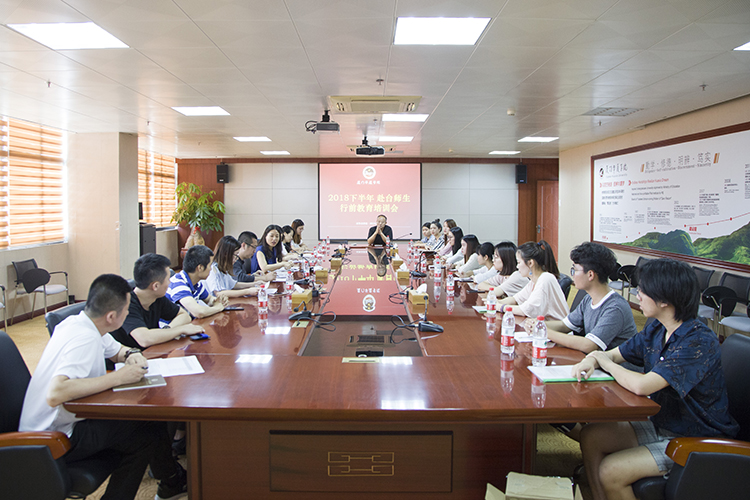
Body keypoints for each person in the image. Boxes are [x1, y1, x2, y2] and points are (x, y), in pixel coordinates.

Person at [572, 259, 739, 500]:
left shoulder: (698, 341)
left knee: (611, 471)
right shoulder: (657, 329)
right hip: (664, 421)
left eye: (643, 290)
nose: (637, 295)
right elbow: (615, 354)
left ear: (664, 300)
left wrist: (602, 360)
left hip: (696, 437)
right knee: (592, 437)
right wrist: (592, 359)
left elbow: (642, 385)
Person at [19, 274, 188, 500]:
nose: (128, 314)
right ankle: (171, 483)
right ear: (111, 316)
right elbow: (56, 393)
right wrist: (118, 378)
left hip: (64, 421)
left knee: (147, 427)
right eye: (126, 310)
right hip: (54, 437)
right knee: (147, 432)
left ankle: (171, 483)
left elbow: (117, 350)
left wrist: (131, 354)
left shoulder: (83, 323)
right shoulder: (84, 339)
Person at [546, 242, 637, 354]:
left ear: (590, 275)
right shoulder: (588, 299)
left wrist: (547, 333)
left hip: (612, 364)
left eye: (575, 270)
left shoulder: (615, 307)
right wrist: (537, 324)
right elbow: (565, 325)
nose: (573, 274)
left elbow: (589, 345)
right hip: (594, 360)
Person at [110, 253, 203, 349]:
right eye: (168, 279)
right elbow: (144, 339)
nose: (170, 282)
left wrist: (167, 330)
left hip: (152, 352)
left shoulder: (156, 298)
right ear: (156, 286)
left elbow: (184, 315)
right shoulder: (125, 304)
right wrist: (181, 329)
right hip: (129, 357)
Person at [498, 240, 569, 320]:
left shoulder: (545, 278)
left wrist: (501, 307)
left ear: (530, 263)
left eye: (519, 262)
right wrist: (496, 302)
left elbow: (526, 310)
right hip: (543, 325)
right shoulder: (534, 281)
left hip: (555, 326)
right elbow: (515, 299)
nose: (517, 267)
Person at [167, 245, 228, 318]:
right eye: (210, 265)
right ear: (200, 267)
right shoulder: (178, 283)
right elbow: (198, 312)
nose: (211, 269)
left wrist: (219, 301)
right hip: (173, 324)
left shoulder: (197, 284)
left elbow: (209, 299)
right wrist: (217, 308)